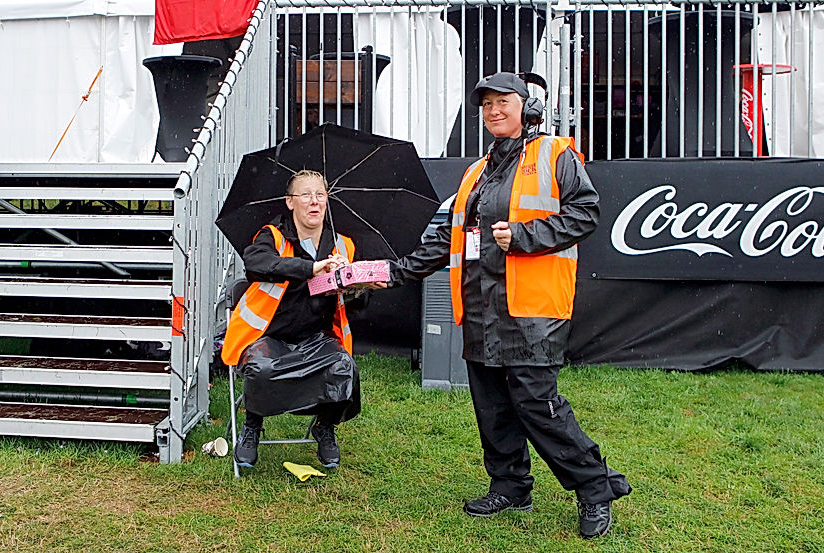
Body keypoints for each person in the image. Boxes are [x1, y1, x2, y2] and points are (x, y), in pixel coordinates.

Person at [385, 72, 631, 539]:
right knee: (493, 407)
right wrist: (393, 273)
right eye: (486, 104)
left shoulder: (555, 154)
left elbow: (585, 213)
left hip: (533, 309)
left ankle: (595, 487)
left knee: (538, 405)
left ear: (526, 107)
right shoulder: (475, 173)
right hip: (480, 305)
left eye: (503, 102)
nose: (494, 110)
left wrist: (523, 236)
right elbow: (448, 239)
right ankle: (510, 485)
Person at [221, 169, 362, 469]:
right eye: (306, 195)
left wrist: (353, 286)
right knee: (261, 369)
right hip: (268, 337)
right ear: (290, 202)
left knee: (344, 368)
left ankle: (324, 427)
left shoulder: (343, 246)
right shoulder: (271, 236)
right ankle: (252, 425)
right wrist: (311, 268)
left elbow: (358, 306)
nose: (314, 201)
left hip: (316, 338)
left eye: (320, 194)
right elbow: (256, 264)